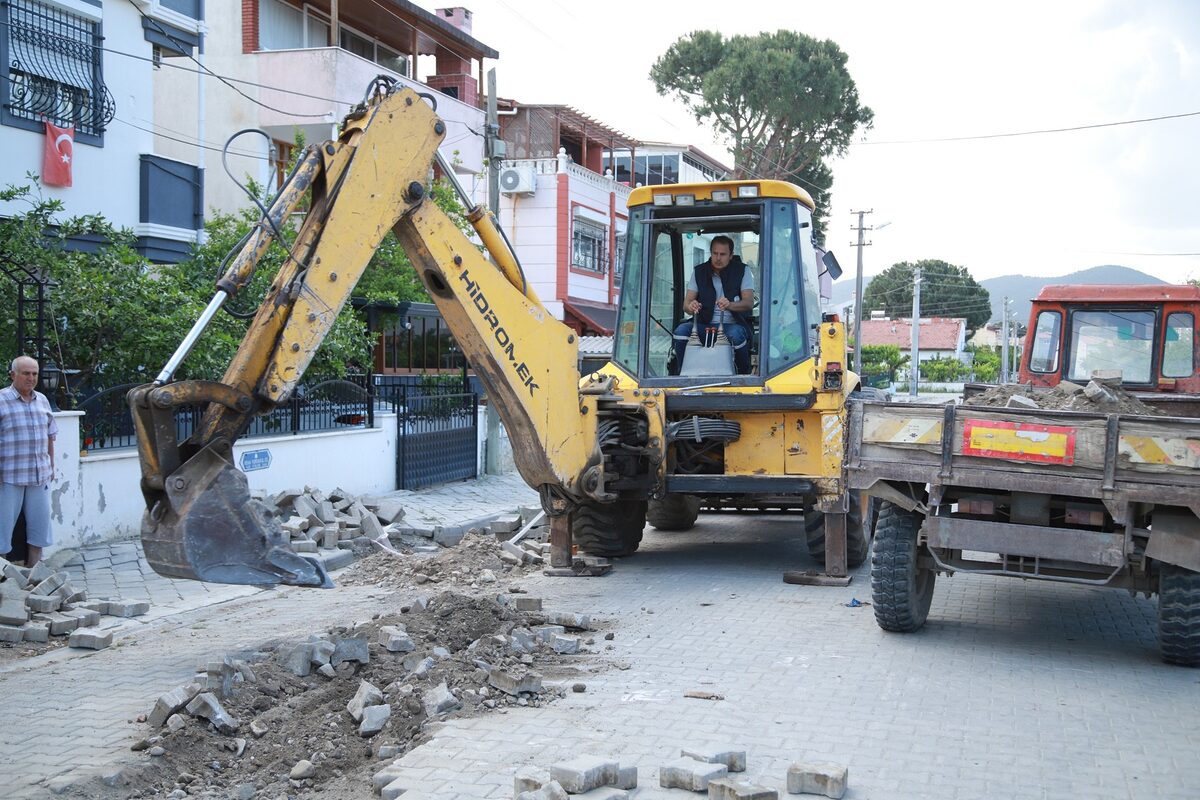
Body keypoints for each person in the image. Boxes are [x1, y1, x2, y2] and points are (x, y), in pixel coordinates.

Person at [0, 356, 58, 567]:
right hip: (8, 476)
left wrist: (51, 466)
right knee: (2, 530)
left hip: (38, 475)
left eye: (34, 373)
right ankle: (3, 581)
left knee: (39, 530)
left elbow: (50, 436)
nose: (31, 378)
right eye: (26, 373)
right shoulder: (1, 399)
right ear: (13, 375)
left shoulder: (42, 400)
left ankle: (35, 578)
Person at [672, 236, 754, 374]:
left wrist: (730, 305)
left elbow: (749, 303)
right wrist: (692, 306)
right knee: (680, 332)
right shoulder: (699, 272)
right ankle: (683, 373)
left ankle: (743, 374)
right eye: (715, 253)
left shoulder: (743, 271)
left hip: (732, 325)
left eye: (722, 254)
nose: (718, 258)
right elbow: (686, 304)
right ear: (711, 253)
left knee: (736, 335)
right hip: (703, 324)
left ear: (731, 255)